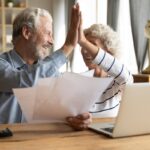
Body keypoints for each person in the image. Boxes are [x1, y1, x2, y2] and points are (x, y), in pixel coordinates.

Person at [0, 5, 91, 130]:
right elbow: (27, 81)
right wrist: (67, 47)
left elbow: (65, 106)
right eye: (48, 33)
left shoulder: (49, 71)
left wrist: (79, 117)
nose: (52, 41)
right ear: (27, 32)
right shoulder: (2, 64)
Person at [77, 23, 133, 118]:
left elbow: (125, 76)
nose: (85, 50)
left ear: (108, 51)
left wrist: (84, 42)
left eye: (92, 45)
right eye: (83, 46)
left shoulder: (117, 82)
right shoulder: (78, 80)